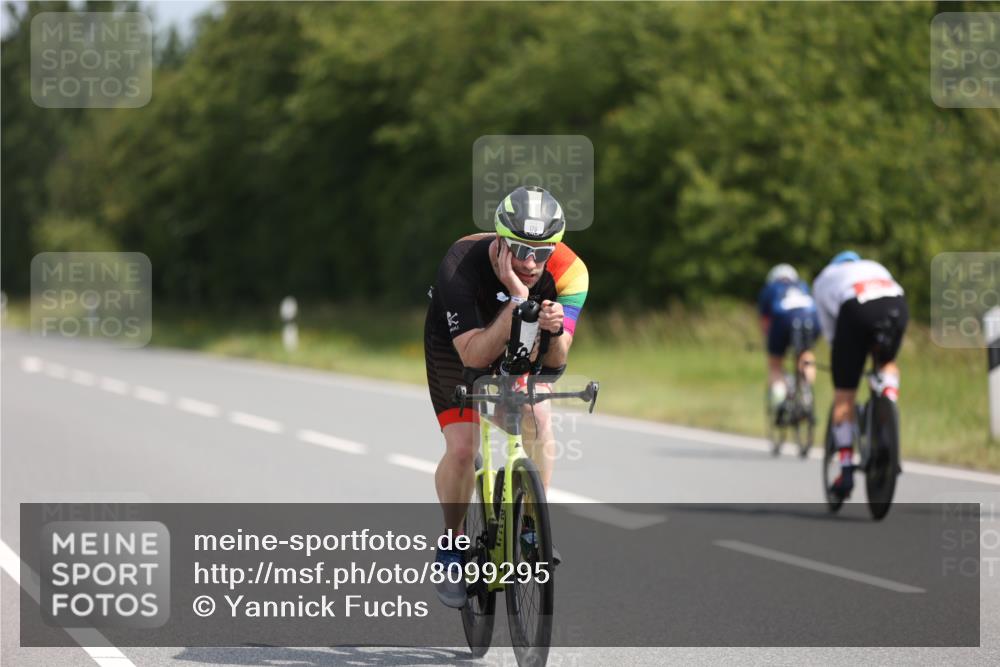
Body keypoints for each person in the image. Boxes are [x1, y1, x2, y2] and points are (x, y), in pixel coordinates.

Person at [424, 185, 588, 607]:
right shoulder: (461, 263)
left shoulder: (571, 273)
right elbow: (474, 356)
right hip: (457, 343)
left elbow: (554, 365)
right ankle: (453, 544)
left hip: (521, 339)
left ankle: (532, 526)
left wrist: (552, 330)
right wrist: (519, 299)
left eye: (542, 252)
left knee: (540, 416)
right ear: (499, 240)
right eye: (519, 249)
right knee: (463, 447)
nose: (532, 263)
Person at [812, 251, 908, 498]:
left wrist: (846, 364)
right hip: (895, 302)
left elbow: (832, 335)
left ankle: (845, 469)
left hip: (856, 307)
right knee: (886, 362)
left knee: (844, 395)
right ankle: (888, 404)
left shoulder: (824, 279)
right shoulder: (875, 265)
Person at [757, 263, 820, 419]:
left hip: (783, 320)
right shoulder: (802, 285)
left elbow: (765, 321)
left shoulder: (770, 288)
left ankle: (779, 402)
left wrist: (770, 344)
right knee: (805, 355)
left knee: (775, 365)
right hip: (811, 320)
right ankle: (806, 393)